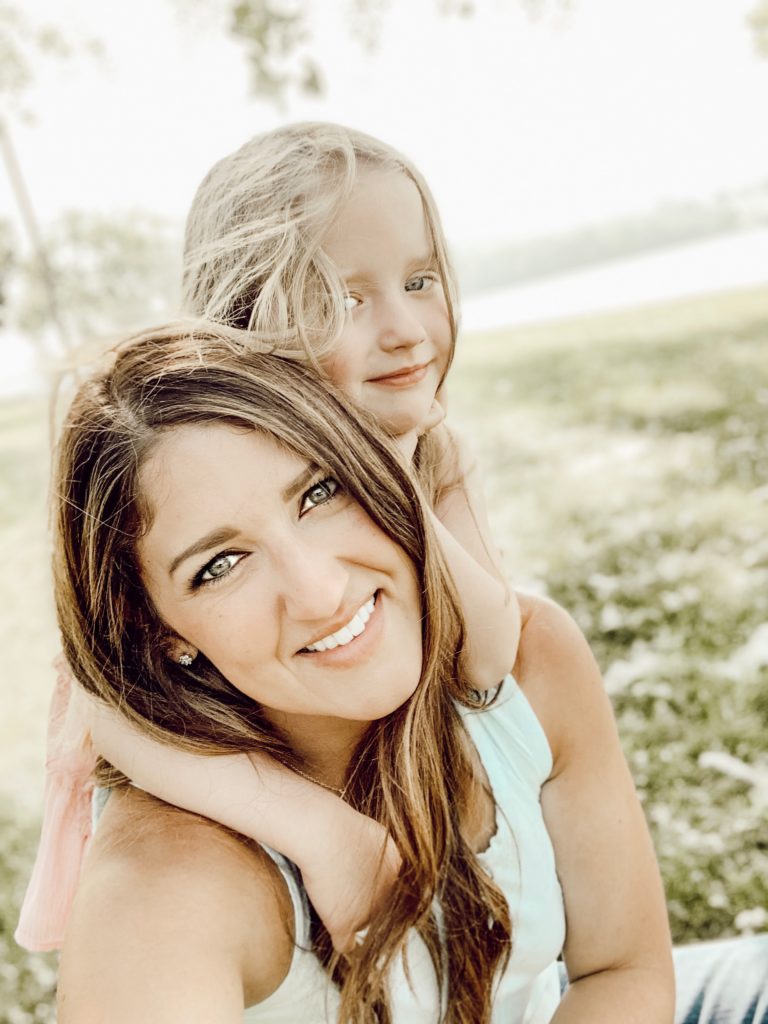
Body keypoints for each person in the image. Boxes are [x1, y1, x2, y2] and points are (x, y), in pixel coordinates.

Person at [52, 323, 675, 1023]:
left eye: (319, 493)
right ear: (162, 634)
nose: (319, 592)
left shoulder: (528, 665)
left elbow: (622, 970)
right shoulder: (164, 887)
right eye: (220, 565)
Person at [17, 122, 522, 954]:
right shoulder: (216, 469)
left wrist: (392, 466)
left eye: (420, 278)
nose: (405, 328)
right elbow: (109, 713)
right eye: (348, 300)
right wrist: (317, 833)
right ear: (252, 325)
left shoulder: (434, 447)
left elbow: (488, 649)